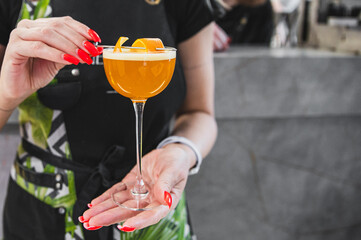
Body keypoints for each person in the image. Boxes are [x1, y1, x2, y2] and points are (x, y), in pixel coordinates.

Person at [0, 0, 217, 239]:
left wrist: (181, 152)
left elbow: (200, 113)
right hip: (40, 218)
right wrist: (6, 96)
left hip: (154, 208)